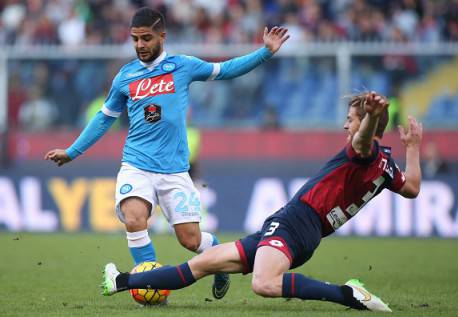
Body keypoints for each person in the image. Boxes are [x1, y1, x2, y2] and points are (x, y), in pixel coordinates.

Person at [44, 7, 289, 300]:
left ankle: (219, 264)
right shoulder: (125, 76)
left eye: (146, 38)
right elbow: (104, 117)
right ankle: (147, 281)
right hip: (136, 165)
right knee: (134, 218)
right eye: (135, 39)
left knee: (191, 240)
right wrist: (72, 151)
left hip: (174, 171)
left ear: (162, 36)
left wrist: (265, 52)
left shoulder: (182, 66)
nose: (140, 45)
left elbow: (225, 70)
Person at [101, 91, 423, 312]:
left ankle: (348, 294)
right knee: (201, 264)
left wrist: (367, 118)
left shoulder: (363, 153)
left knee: (264, 284)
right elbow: (411, 188)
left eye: (351, 119)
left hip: (298, 223)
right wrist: (412, 147)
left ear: (365, 122)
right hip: (296, 225)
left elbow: (363, 140)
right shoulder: (385, 164)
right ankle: (121, 281)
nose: (345, 125)